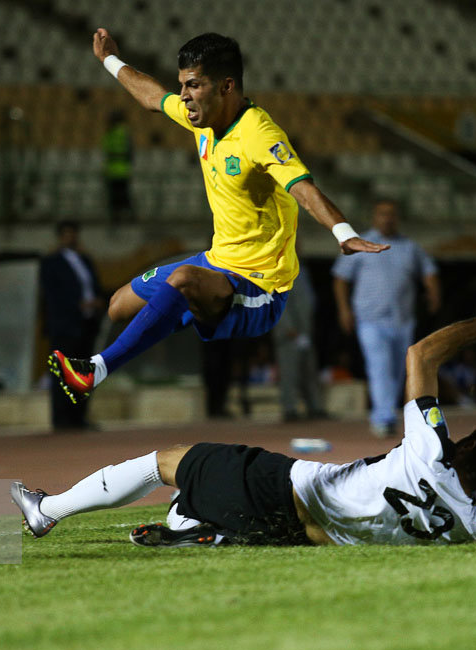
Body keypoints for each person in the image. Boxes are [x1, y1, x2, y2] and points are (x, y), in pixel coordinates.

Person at [12, 311, 476, 547]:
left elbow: (422, 354)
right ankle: (200, 530)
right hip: (301, 536)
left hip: (286, 487)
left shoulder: (430, 450)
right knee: (192, 502)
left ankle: (48, 511)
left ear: (466, 442)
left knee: (172, 461)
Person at [48, 30, 389, 405]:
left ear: (226, 87)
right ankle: (187, 304)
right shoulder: (201, 119)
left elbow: (303, 189)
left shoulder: (259, 134)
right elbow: (151, 98)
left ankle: (95, 370)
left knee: (182, 280)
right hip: (218, 262)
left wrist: (343, 232)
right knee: (118, 305)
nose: (183, 96)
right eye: (182, 85)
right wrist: (110, 60)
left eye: (193, 85)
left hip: (261, 286)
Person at [333, 199, 440, 437]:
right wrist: (344, 310)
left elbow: (429, 271)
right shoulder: (361, 244)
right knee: (379, 366)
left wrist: (433, 293)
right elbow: (340, 278)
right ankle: (383, 417)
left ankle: (387, 411)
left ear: (397, 218)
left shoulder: (410, 247)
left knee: (398, 371)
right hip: (370, 318)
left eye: (391, 214)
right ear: (374, 217)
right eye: (382, 214)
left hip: (402, 318)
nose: (387, 218)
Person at [40, 220, 106, 430]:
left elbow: (95, 286)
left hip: (86, 323)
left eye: (74, 233)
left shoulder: (85, 260)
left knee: (84, 371)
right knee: (62, 371)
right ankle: (61, 419)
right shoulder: (52, 262)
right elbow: (51, 295)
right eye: (67, 234)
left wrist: (96, 301)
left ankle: (79, 417)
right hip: (65, 325)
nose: (71, 237)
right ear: (60, 236)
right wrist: (77, 305)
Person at [272, 266, 326, 422]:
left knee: (309, 371)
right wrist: (287, 327)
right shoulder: (280, 270)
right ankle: (289, 409)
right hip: (290, 332)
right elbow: (277, 300)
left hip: (305, 330)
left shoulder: (302, 270)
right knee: (289, 372)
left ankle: (314, 407)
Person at [102, 109, 133, 224]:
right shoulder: (110, 132)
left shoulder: (121, 132)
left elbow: (128, 150)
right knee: (114, 196)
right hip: (112, 169)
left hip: (121, 168)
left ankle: (126, 217)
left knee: (122, 195)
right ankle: (117, 218)